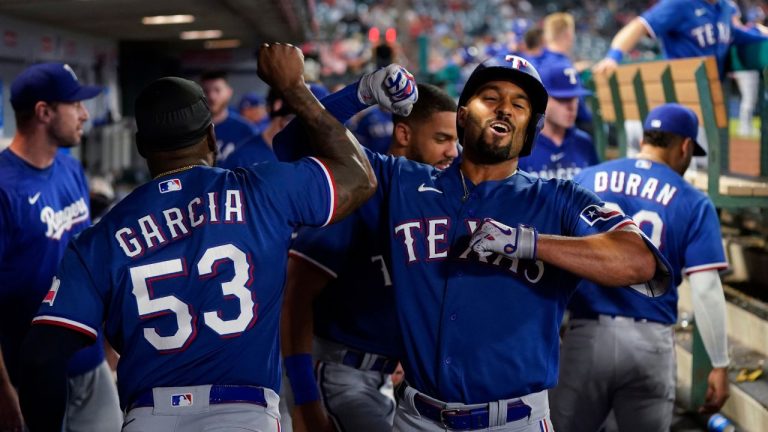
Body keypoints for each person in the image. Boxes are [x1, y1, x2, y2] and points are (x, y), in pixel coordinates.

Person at [275, 55, 672, 432]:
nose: (504, 108)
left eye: (519, 104)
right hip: (417, 417)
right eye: (490, 98)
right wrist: (359, 94)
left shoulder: (560, 199)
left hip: (515, 421)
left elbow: (639, 262)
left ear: (531, 128)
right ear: (463, 116)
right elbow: (290, 146)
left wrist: (527, 243)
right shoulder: (402, 181)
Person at [16, 43, 384, 432]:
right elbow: (359, 177)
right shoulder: (261, 190)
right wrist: (294, 88)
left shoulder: (101, 236)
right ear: (211, 137)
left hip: (149, 416)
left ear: (143, 148)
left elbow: (41, 357)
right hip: (244, 412)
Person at [282, 84, 458, 432]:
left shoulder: (432, 199)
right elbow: (295, 297)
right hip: (339, 373)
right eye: (442, 139)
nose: (453, 151)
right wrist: (303, 400)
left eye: (456, 140)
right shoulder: (365, 189)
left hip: (389, 378)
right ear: (405, 133)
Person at [551, 103, 730, 432]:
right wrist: (719, 363)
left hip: (586, 336)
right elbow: (705, 287)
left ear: (646, 137)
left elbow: (554, 255)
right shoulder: (692, 199)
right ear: (685, 146)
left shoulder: (588, 178)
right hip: (651, 342)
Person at [0, 62, 122, 432]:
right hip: (28, 375)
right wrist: (3, 392)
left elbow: (88, 262)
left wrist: (108, 347)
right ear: (44, 112)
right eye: (76, 105)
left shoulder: (70, 169)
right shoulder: (5, 188)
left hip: (90, 364)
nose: (85, 114)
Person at [592, 0, 768, 78]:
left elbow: (736, 34)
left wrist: (759, 32)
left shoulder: (725, 8)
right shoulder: (679, 4)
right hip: (683, 94)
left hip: (713, 94)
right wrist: (613, 57)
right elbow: (639, 26)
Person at [519, 61, 598, 179]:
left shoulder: (584, 143)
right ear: (541, 99)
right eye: (563, 99)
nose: (571, 107)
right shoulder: (521, 145)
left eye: (575, 98)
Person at [200, 70, 257, 163]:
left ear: (228, 92)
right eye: (206, 91)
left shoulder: (245, 130)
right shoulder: (190, 130)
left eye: (217, 90)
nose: (211, 96)